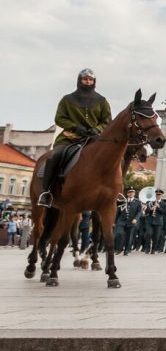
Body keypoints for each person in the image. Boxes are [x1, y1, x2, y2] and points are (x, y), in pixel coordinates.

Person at [38, 69, 112, 207]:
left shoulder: (102, 101)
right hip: (70, 138)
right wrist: (75, 127)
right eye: (85, 79)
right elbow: (59, 118)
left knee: (111, 157)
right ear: (80, 80)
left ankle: (113, 191)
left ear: (94, 82)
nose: (88, 82)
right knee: (55, 156)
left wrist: (96, 129)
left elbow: (107, 120)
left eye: (90, 80)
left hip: (93, 139)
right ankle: (46, 192)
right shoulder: (67, 99)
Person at [114, 187, 142, 255]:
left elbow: (139, 212)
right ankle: (119, 249)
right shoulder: (122, 201)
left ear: (134, 193)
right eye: (130, 192)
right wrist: (115, 221)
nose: (131, 193)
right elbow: (118, 212)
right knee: (118, 234)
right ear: (127, 194)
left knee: (129, 237)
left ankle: (126, 250)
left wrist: (136, 219)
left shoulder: (138, 202)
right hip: (121, 220)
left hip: (131, 221)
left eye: (133, 192)